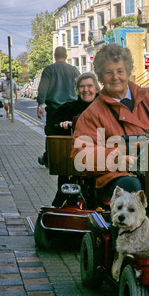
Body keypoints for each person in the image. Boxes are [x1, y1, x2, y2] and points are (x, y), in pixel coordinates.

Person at [71, 43, 149, 202]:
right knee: (130, 185)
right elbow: (81, 153)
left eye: (120, 71)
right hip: (117, 177)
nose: (115, 77)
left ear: (128, 72)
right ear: (100, 77)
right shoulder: (92, 114)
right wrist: (116, 159)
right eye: (109, 72)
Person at [51, 72, 100, 207]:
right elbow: (51, 127)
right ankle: (56, 210)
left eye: (89, 86)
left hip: (101, 158)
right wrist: (63, 124)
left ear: (96, 88)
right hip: (73, 160)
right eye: (82, 87)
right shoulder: (68, 108)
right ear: (77, 90)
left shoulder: (106, 107)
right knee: (62, 190)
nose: (86, 90)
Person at [37, 46, 80, 167]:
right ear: (66, 56)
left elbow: (43, 89)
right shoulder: (74, 70)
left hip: (54, 109)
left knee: (51, 134)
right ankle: (70, 158)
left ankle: (49, 160)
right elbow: (80, 87)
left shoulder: (49, 70)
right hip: (72, 109)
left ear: (54, 56)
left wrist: (40, 105)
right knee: (71, 134)